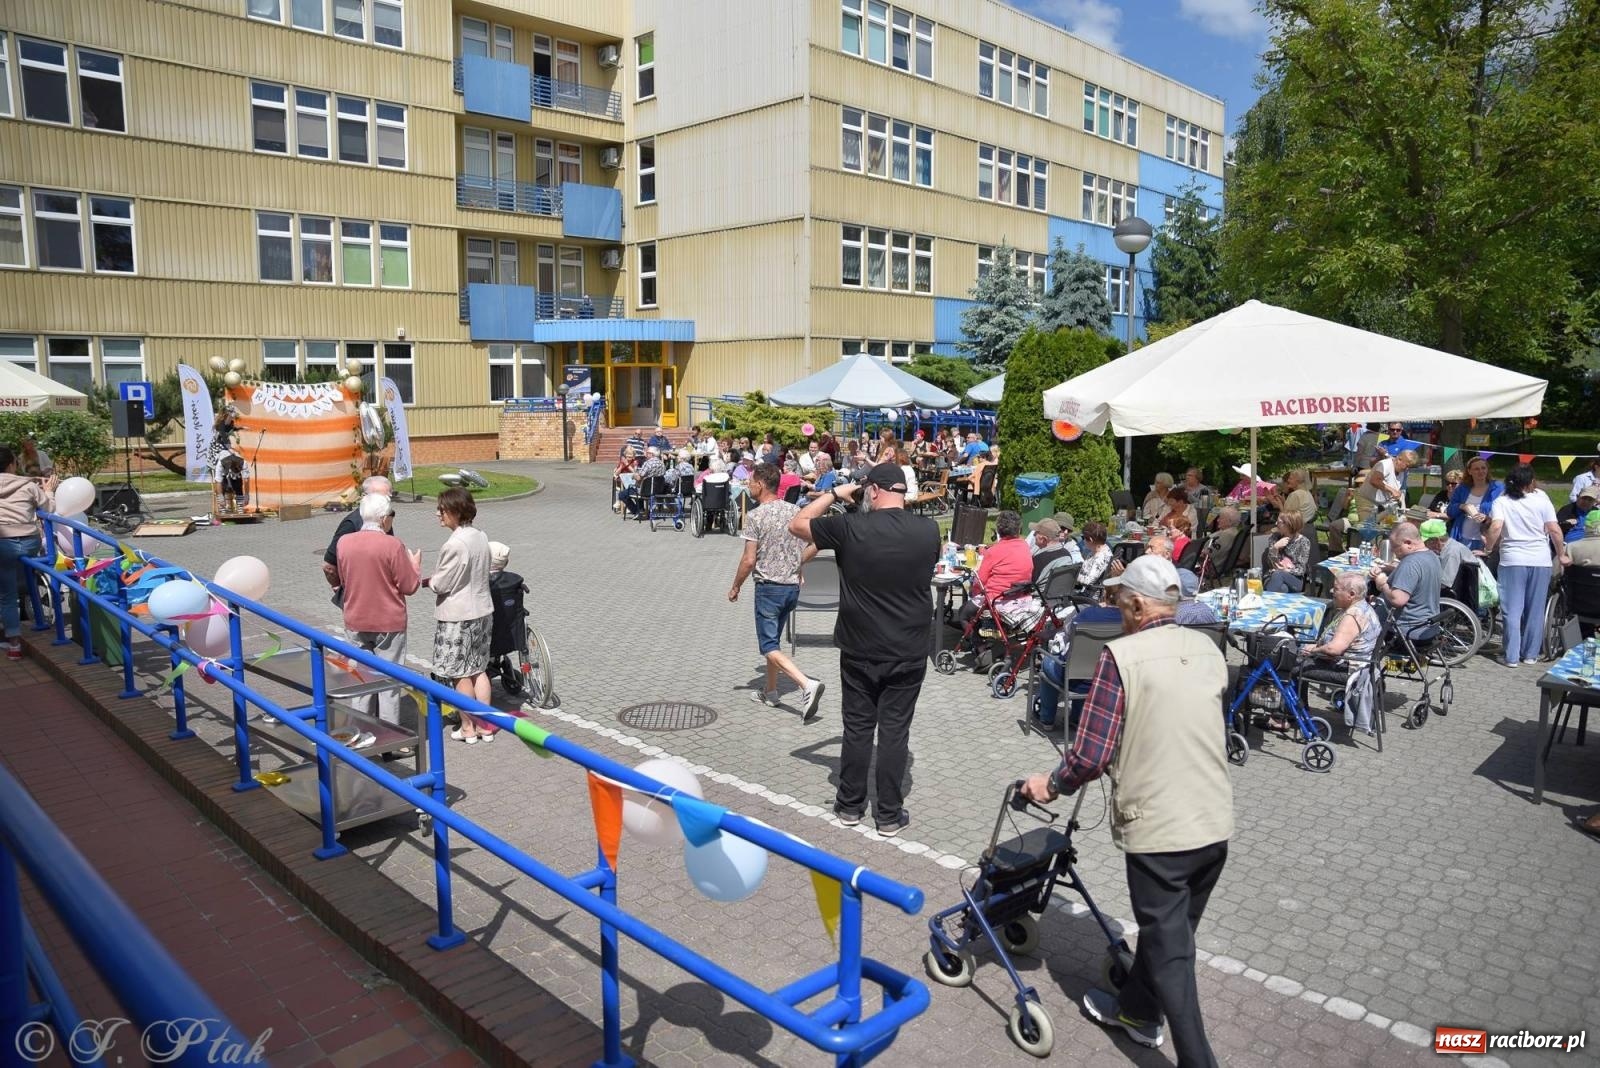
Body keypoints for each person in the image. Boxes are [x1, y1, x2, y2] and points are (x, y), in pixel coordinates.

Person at [1020, 555, 1231, 1064]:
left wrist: (1049, 784)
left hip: (1162, 829)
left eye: (1118, 600)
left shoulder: (1122, 656)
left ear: (1137, 604)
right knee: (1171, 935)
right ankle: (1137, 1010)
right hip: (1214, 817)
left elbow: (1090, 754)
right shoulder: (1207, 649)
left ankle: (1197, 1059)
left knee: (1173, 952)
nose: (1115, 607)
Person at [788, 463, 940, 837]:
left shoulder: (849, 527)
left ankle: (850, 806)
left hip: (860, 647)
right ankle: (888, 814)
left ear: (872, 490)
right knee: (894, 732)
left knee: (857, 728)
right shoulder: (929, 530)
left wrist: (835, 493)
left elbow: (797, 524)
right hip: (909, 647)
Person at [730, 462, 825, 718]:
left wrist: (735, 585)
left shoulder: (755, 516)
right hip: (791, 589)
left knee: (768, 645)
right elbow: (817, 542)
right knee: (773, 641)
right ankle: (770, 692)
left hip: (769, 589)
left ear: (760, 485)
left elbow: (749, 560)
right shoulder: (795, 511)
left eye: (750, 482)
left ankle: (806, 685)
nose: (748, 486)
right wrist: (797, 562)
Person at [332, 492, 421, 727]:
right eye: (391, 514)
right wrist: (415, 566)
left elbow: (343, 578)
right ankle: (390, 735)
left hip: (356, 618)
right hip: (388, 622)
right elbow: (409, 585)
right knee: (389, 683)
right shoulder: (393, 545)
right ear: (383, 519)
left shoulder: (344, 543)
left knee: (361, 679)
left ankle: (360, 728)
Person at [427, 488, 494, 743]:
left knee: (460, 672)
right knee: (479, 668)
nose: (438, 514)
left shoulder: (455, 543)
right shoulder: (480, 535)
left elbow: (442, 584)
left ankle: (468, 727)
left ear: (455, 511)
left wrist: (430, 581)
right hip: (482, 610)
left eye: (441, 510)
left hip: (458, 615)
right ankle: (485, 725)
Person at [1484, 464, 1568, 667]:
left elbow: (1496, 526)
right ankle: (1530, 654)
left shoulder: (1501, 501)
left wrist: (1488, 547)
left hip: (1513, 560)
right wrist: (1562, 554)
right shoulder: (1542, 498)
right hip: (1540, 560)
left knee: (1512, 610)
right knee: (1535, 609)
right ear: (1531, 482)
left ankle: (1511, 656)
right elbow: (1554, 530)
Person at [1302, 572, 1383, 734]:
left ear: (1351, 594)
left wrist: (1313, 650)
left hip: (1350, 671)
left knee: (1293, 665)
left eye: (1336, 588)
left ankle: (1294, 716)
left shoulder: (1353, 615)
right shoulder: (1364, 607)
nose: (1332, 591)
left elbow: (1334, 650)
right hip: (1363, 667)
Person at [0, 448, 56, 661]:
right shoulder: (28, 485)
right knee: (25, 575)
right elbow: (50, 508)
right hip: (29, 542)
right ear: (12, 464)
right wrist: (49, 490)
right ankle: (33, 599)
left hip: (3, 543)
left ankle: (14, 645)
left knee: (7, 596)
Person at [322, 475, 394, 603]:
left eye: (388, 497)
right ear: (365, 498)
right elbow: (329, 566)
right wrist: (339, 589)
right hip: (359, 601)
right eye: (380, 498)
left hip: (383, 597)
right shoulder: (351, 524)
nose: (385, 502)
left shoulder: (383, 518)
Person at [957, 510, 1032, 625]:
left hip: (999, 600)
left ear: (998, 530)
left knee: (963, 613)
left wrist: (973, 593)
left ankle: (976, 641)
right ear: (1018, 530)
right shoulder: (1024, 546)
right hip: (1022, 597)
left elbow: (980, 581)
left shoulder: (994, 551)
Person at [1371, 521, 1440, 643]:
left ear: (1408, 543)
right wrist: (1386, 569)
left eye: (1396, 548)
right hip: (1428, 626)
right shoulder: (1431, 556)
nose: (1395, 554)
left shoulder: (1410, 562)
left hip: (1406, 630)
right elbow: (1417, 576)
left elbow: (1398, 600)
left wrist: (1382, 584)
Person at [1445, 456, 1501, 550]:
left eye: (1483, 468)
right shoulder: (1462, 488)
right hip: (1464, 537)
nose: (1481, 471)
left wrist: (1488, 518)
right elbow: (1450, 511)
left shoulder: (1497, 488)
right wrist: (1462, 506)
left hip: (1487, 539)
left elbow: (1506, 511)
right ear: (1469, 471)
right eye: (1476, 469)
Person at [1419, 518, 1475, 590]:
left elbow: (1444, 584)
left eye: (1426, 542)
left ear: (1436, 540)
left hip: (1458, 594)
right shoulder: (1448, 547)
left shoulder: (1451, 552)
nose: (1425, 545)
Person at [1262, 512, 1311, 593]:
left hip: (1294, 579)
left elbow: (1301, 569)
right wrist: (1275, 548)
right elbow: (1270, 564)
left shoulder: (1304, 542)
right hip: (1271, 577)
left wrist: (1284, 570)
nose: (1276, 523)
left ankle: (1265, 600)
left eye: (1279, 522)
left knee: (1279, 574)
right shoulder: (1274, 537)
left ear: (1288, 525)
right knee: (1282, 589)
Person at [1078, 521, 1114, 587]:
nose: (1083, 540)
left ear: (1090, 540)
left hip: (1090, 594)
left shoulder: (1099, 558)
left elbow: (1088, 581)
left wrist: (1073, 576)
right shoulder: (1104, 548)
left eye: (1083, 537)